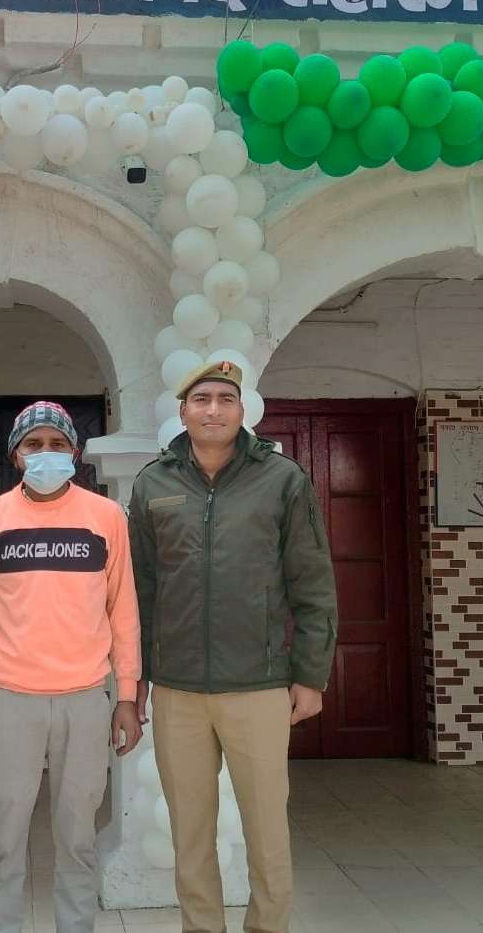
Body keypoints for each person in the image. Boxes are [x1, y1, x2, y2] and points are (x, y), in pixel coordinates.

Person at [129, 360, 338, 933]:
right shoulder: (154, 484)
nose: (214, 410)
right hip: (178, 689)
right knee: (190, 831)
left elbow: (312, 581)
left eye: (226, 399)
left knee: (266, 828)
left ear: (242, 410)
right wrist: (137, 675)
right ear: (182, 412)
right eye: (202, 400)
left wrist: (311, 674)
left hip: (259, 684)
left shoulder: (282, 479)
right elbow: (140, 589)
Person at [0, 400, 142, 933]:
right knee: (2, 837)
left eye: (58, 444)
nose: (46, 453)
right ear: (16, 455)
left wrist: (126, 696)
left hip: (86, 699)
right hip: (11, 700)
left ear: (75, 453)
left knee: (77, 839)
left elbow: (123, 611)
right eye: (34, 444)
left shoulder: (106, 518)